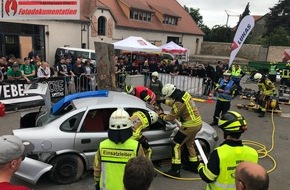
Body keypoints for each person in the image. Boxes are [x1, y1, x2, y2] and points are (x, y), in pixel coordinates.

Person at [198, 111, 259, 190]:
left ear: (225, 132)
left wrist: (200, 165)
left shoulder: (219, 153)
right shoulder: (253, 153)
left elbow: (207, 177)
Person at [93, 108, 145, 190]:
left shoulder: (102, 145)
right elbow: (142, 171)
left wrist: (97, 183)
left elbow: (97, 168)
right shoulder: (136, 146)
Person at [157, 84, 202, 177]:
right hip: (197, 123)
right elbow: (176, 104)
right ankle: (194, 166)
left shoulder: (178, 102)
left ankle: (175, 170)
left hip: (189, 126)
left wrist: (161, 115)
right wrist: (163, 101)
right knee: (190, 144)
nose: (169, 97)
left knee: (176, 145)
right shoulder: (185, 94)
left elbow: (171, 116)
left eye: (169, 96)